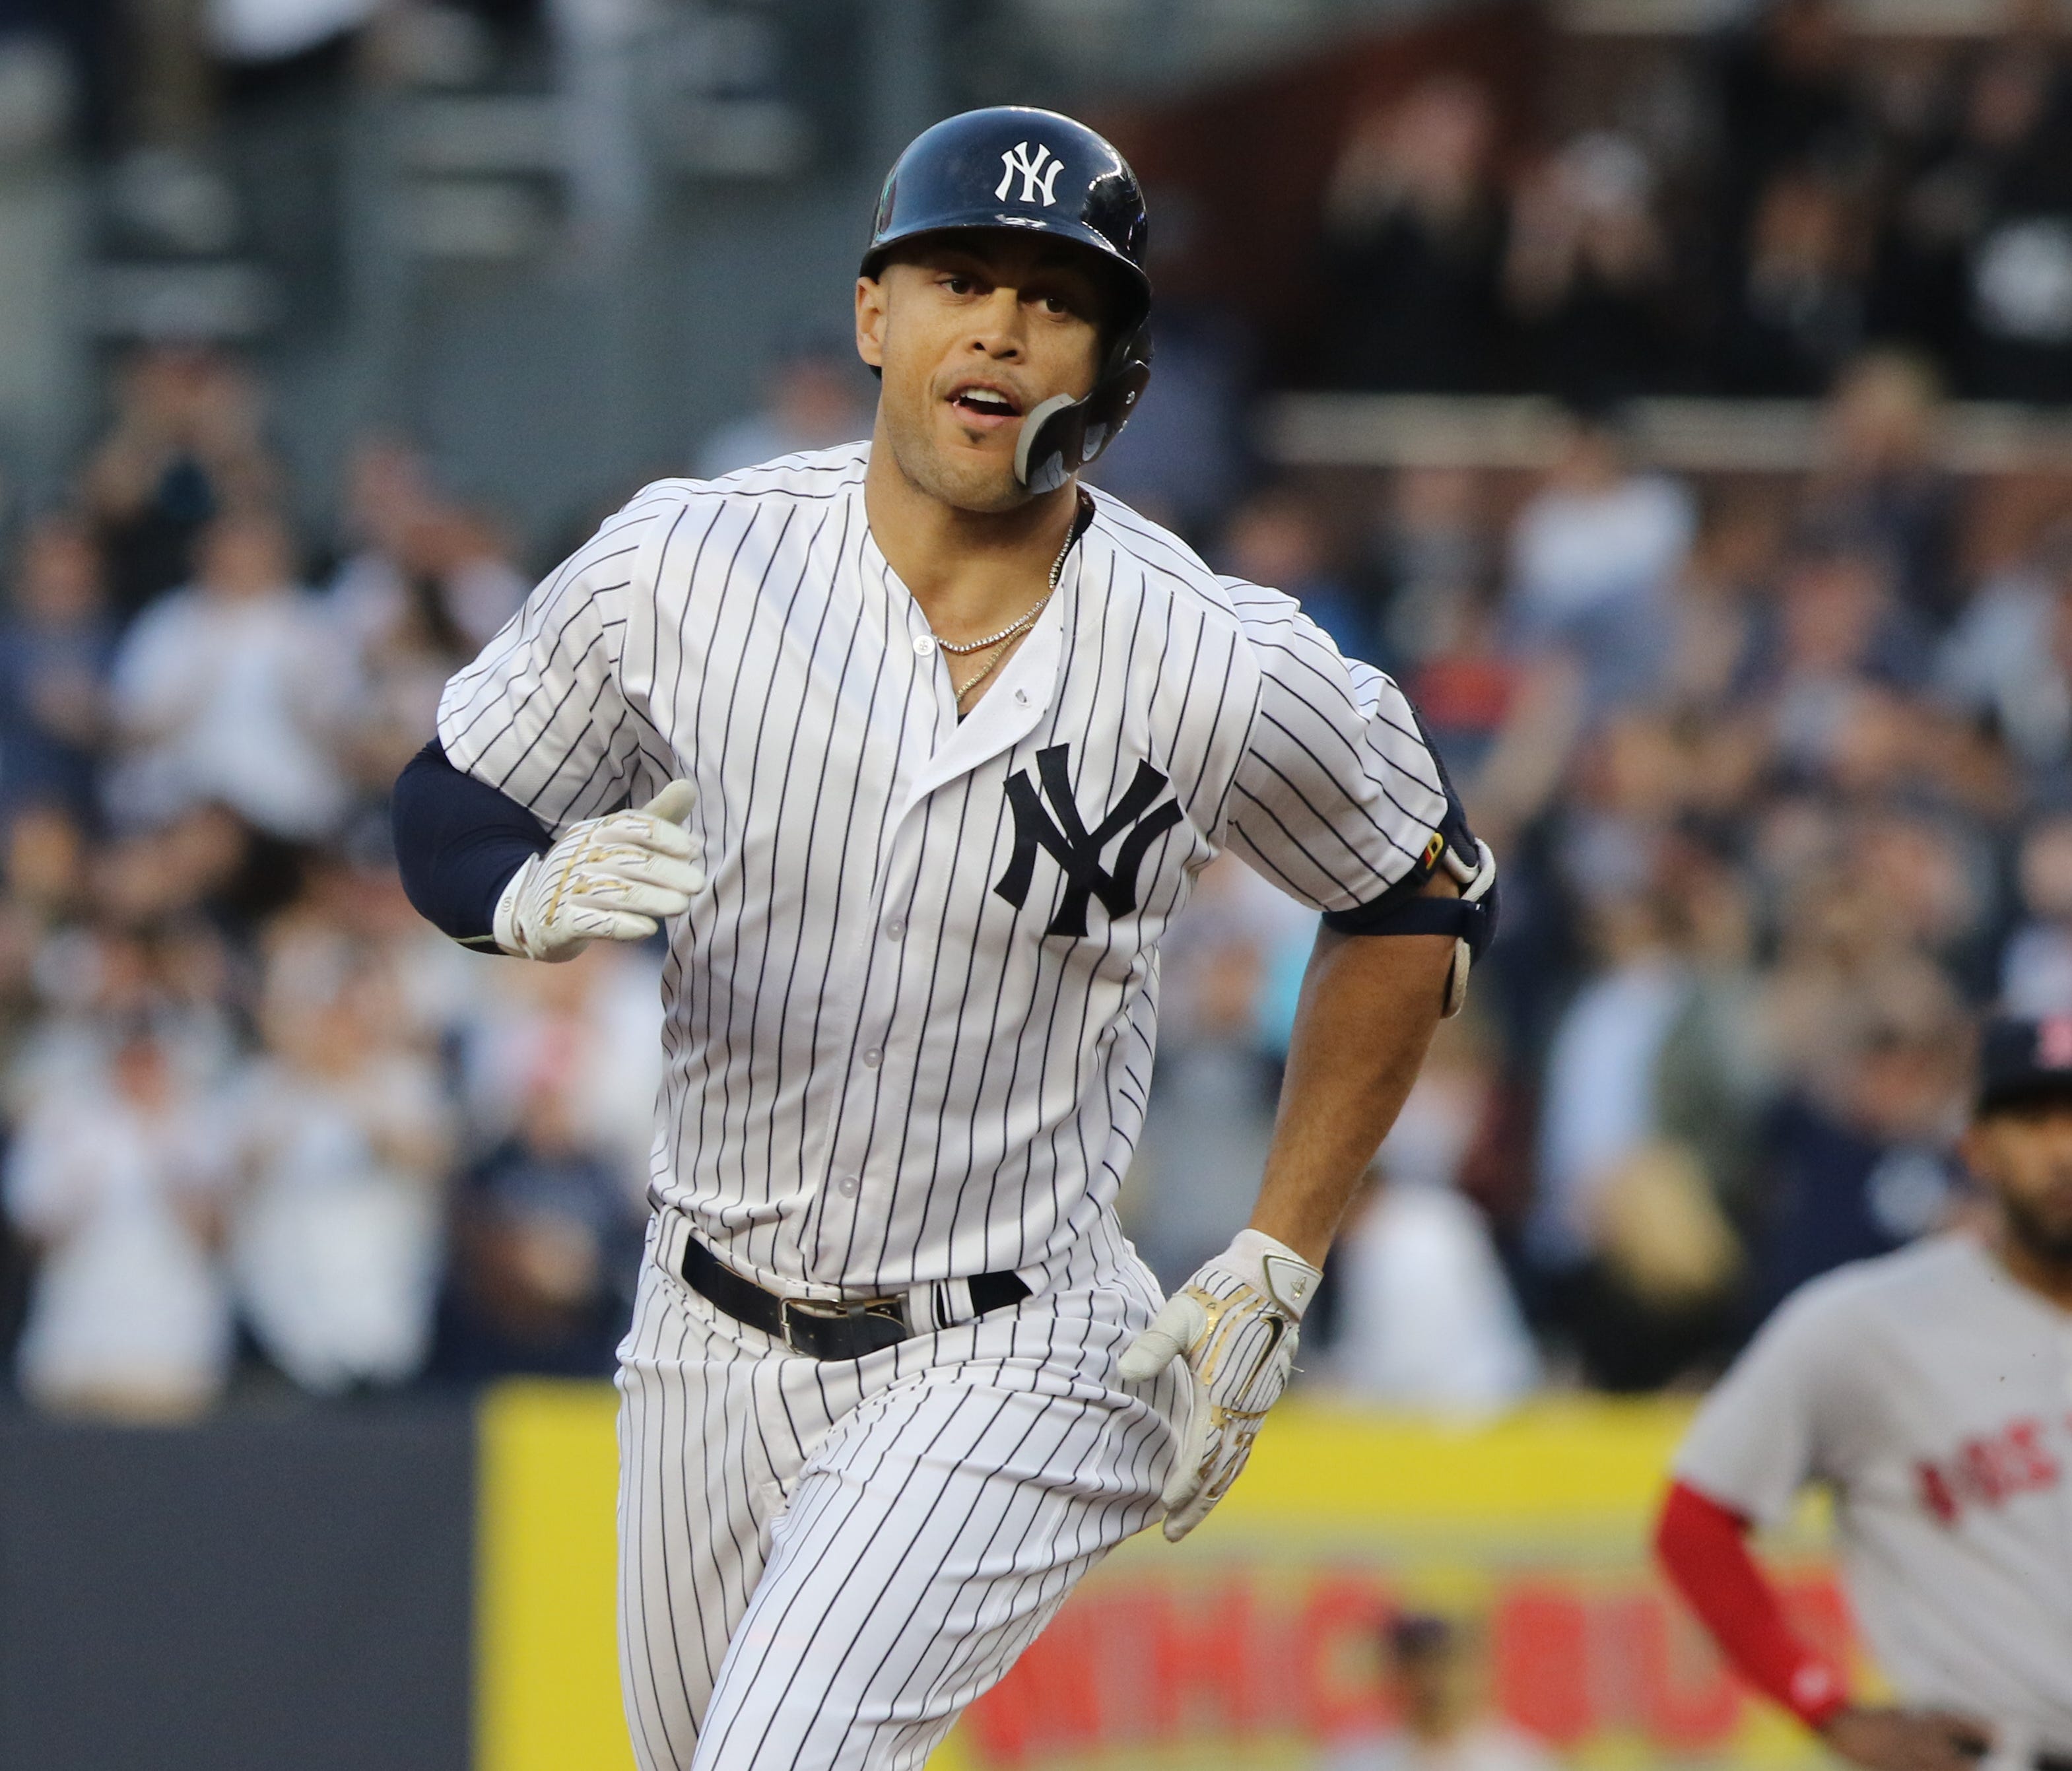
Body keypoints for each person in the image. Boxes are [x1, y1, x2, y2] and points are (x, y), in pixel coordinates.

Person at [390, 106, 1496, 1771]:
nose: (998, 328)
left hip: (1013, 1337)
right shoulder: (687, 560)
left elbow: (1419, 888)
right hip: (700, 1326)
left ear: (1117, 369)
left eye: (1053, 299)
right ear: (872, 314)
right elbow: (451, 791)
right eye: (959, 279)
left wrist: (1279, 1245)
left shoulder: (1213, 657)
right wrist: (514, 891)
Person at [1655, 1013, 2072, 1771]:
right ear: (1974, 1147)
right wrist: (1828, 1709)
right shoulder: (1868, 1323)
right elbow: (1693, 1525)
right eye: (2032, 1118)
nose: (2062, 1149)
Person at [1321, 1612, 1557, 1771]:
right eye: (1422, 1668)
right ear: (1396, 1676)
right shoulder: (1356, 1760)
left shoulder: (1519, 1761)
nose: (1437, 1684)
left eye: (1450, 1667)